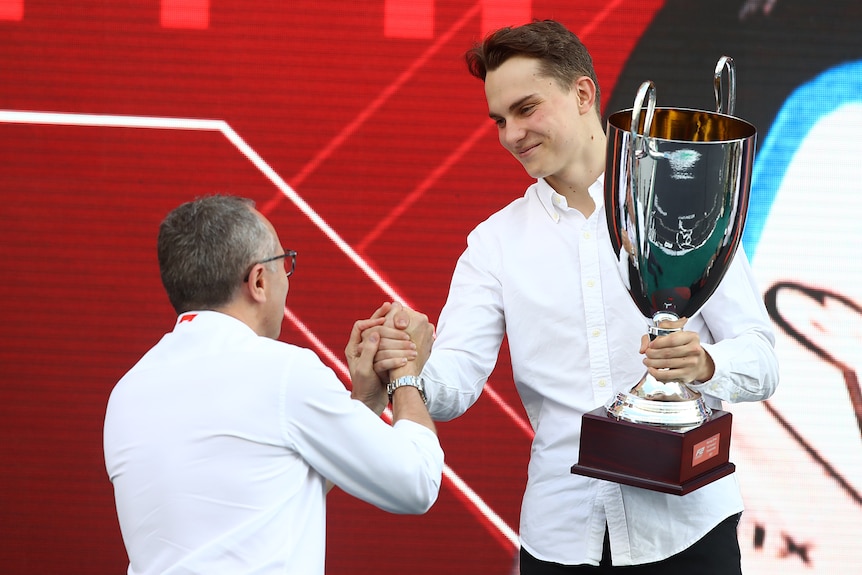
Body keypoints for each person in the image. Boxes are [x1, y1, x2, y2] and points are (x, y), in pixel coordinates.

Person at [373, 20, 779, 574]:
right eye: (499, 120)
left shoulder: (685, 204)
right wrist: (405, 365)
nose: (511, 134)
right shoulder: (494, 243)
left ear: (583, 93)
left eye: (526, 108)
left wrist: (706, 362)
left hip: (688, 533)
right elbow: (453, 387)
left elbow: (762, 359)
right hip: (559, 541)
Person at [103, 195, 443, 575]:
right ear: (259, 280)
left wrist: (362, 403)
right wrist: (406, 372)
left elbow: (271, 487)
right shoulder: (284, 372)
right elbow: (417, 481)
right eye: (285, 262)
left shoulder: (128, 391)